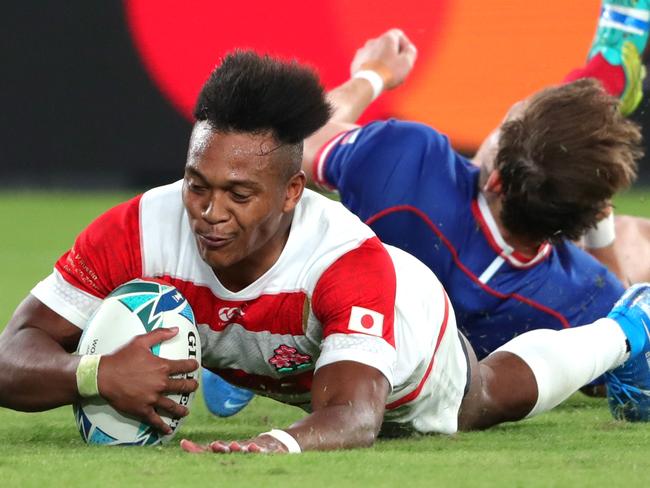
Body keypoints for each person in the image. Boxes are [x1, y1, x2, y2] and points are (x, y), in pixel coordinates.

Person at [1, 49, 650, 455]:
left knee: (482, 395)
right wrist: (93, 375)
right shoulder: (143, 226)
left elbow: (354, 414)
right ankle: (232, 344)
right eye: (197, 185)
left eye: (238, 193)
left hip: (409, 339)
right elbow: (11, 354)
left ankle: (628, 329)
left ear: (293, 193)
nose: (209, 211)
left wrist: (273, 445)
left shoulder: (353, 249)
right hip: (294, 335)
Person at [205, 0, 650, 417]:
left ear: (496, 181)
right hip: (424, 372)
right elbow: (621, 314)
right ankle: (604, 83)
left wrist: (373, 74)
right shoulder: (579, 296)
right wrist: (598, 219)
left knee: (270, 185)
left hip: (328, 332)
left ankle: (255, 317)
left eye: (511, 120)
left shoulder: (409, 163)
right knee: (633, 245)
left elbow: (283, 146)